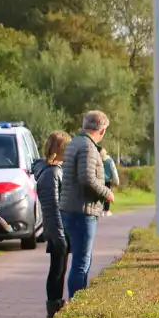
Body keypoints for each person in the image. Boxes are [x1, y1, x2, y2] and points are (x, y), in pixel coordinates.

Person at [59, 111, 114, 299]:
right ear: (103, 130)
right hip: (82, 210)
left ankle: (75, 303)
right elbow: (87, 178)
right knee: (82, 262)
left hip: (71, 208)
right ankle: (76, 305)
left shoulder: (74, 143)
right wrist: (107, 193)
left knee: (80, 260)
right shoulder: (89, 148)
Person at [32, 131, 72, 318]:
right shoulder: (52, 173)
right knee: (57, 270)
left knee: (59, 268)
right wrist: (59, 235)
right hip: (57, 229)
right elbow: (52, 207)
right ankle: (53, 310)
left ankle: (55, 306)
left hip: (58, 228)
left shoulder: (52, 170)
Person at [101, 146, 119, 216]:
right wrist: (116, 181)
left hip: (100, 180)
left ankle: (101, 210)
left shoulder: (99, 160)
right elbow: (114, 171)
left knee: (101, 195)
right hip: (108, 180)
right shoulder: (110, 161)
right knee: (107, 195)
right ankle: (107, 210)